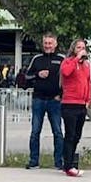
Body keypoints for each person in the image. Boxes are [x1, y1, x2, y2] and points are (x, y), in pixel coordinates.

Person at [23, 33, 65, 170]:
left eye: (50, 43)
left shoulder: (61, 59)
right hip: (38, 100)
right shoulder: (36, 59)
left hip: (55, 101)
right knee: (35, 131)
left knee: (58, 132)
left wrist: (61, 95)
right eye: (45, 43)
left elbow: (67, 80)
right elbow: (26, 77)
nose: (47, 46)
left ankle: (59, 162)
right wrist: (37, 75)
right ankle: (34, 161)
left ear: (55, 44)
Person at [58, 38, 91, 177]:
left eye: (83, 47)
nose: (81, 50)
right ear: (73, 49)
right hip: (70, 103)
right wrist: (76, 59)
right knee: (70, 135)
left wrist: (88, 98)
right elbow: (66, 72)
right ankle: (68, 165)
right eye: (78, 47)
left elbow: (88, 82)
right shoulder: (68, 62)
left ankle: (69, 161)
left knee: (77, 135)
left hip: (81, 104)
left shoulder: (87, 65)